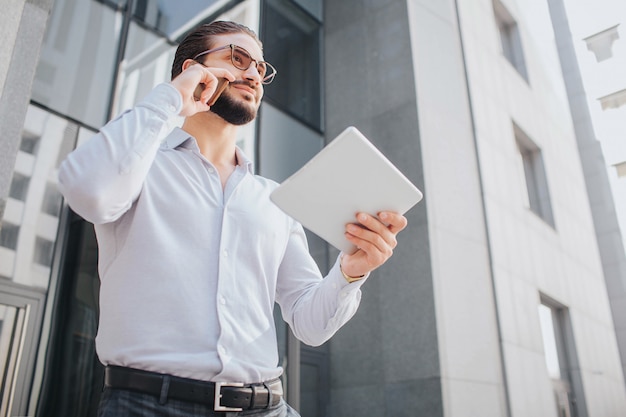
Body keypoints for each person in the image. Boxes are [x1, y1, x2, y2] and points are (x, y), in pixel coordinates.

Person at [58, 20, 408, 417]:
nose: (253, 75)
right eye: (238, 58)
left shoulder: (273, 200)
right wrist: (171, 98)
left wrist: (350, 272)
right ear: (192, 69)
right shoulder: (137, 167)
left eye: (260, 68)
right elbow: (88, 192)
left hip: (266, 405)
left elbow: (311, 324)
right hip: (148, 406)